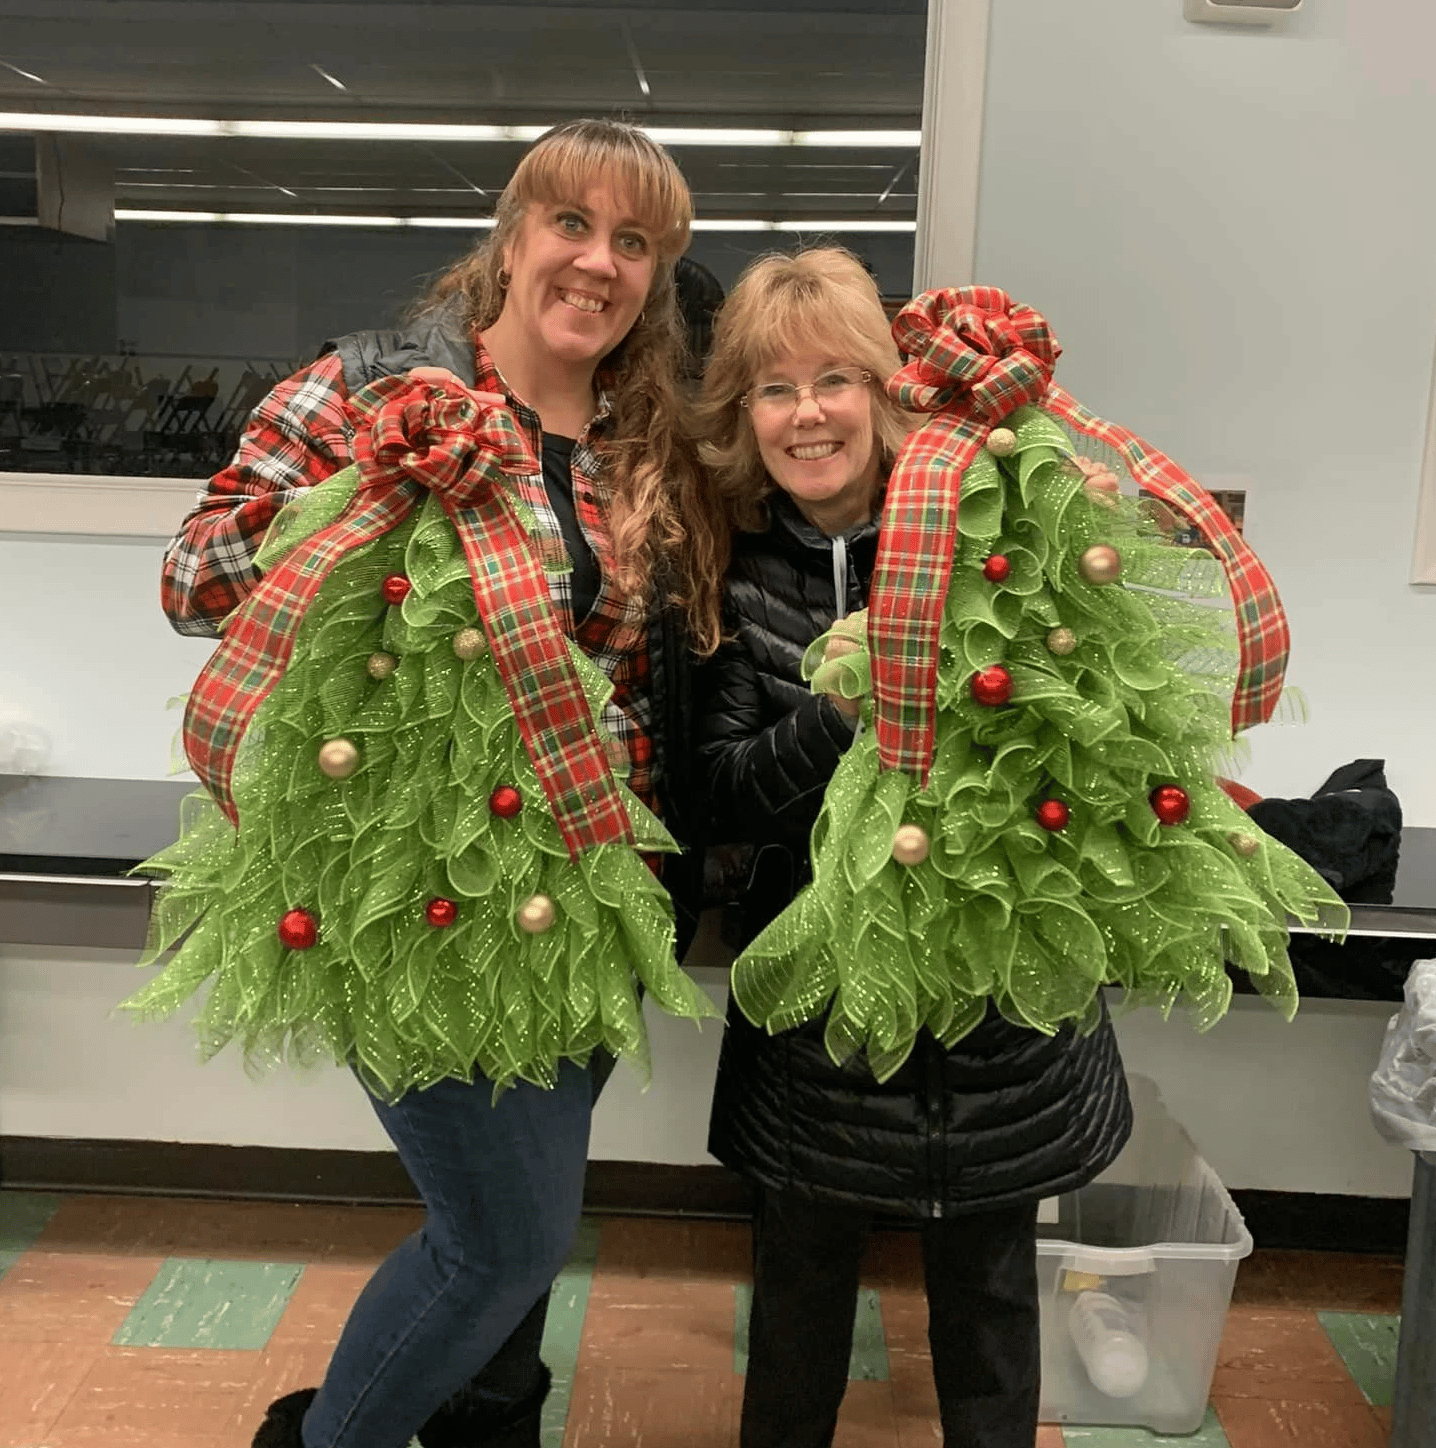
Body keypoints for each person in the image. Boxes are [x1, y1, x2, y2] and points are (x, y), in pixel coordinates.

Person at [157, 119, 724, 1448]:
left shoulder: (642, 437)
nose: (598, 261)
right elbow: (192, 584)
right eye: (571, 224)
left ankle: (485, 1428)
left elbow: (638, 674)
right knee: (503, 1238)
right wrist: (369, 487)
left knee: (516, 1229)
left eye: (634, 242)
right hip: (411, 892)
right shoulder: (366, 388)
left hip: (589, 894)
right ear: (511, 239)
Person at [692, 247, 1132, 1448]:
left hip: (996, 1015)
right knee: (796, 1311)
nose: (808, 413)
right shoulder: (729, 573)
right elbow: (721, 790)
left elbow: (1086, 738)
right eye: (774, 389)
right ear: (743, 418)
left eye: (835, 378)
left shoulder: (993, 534)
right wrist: (846, 706)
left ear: (887, 395)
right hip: (814, 1031)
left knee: (988, 1307)